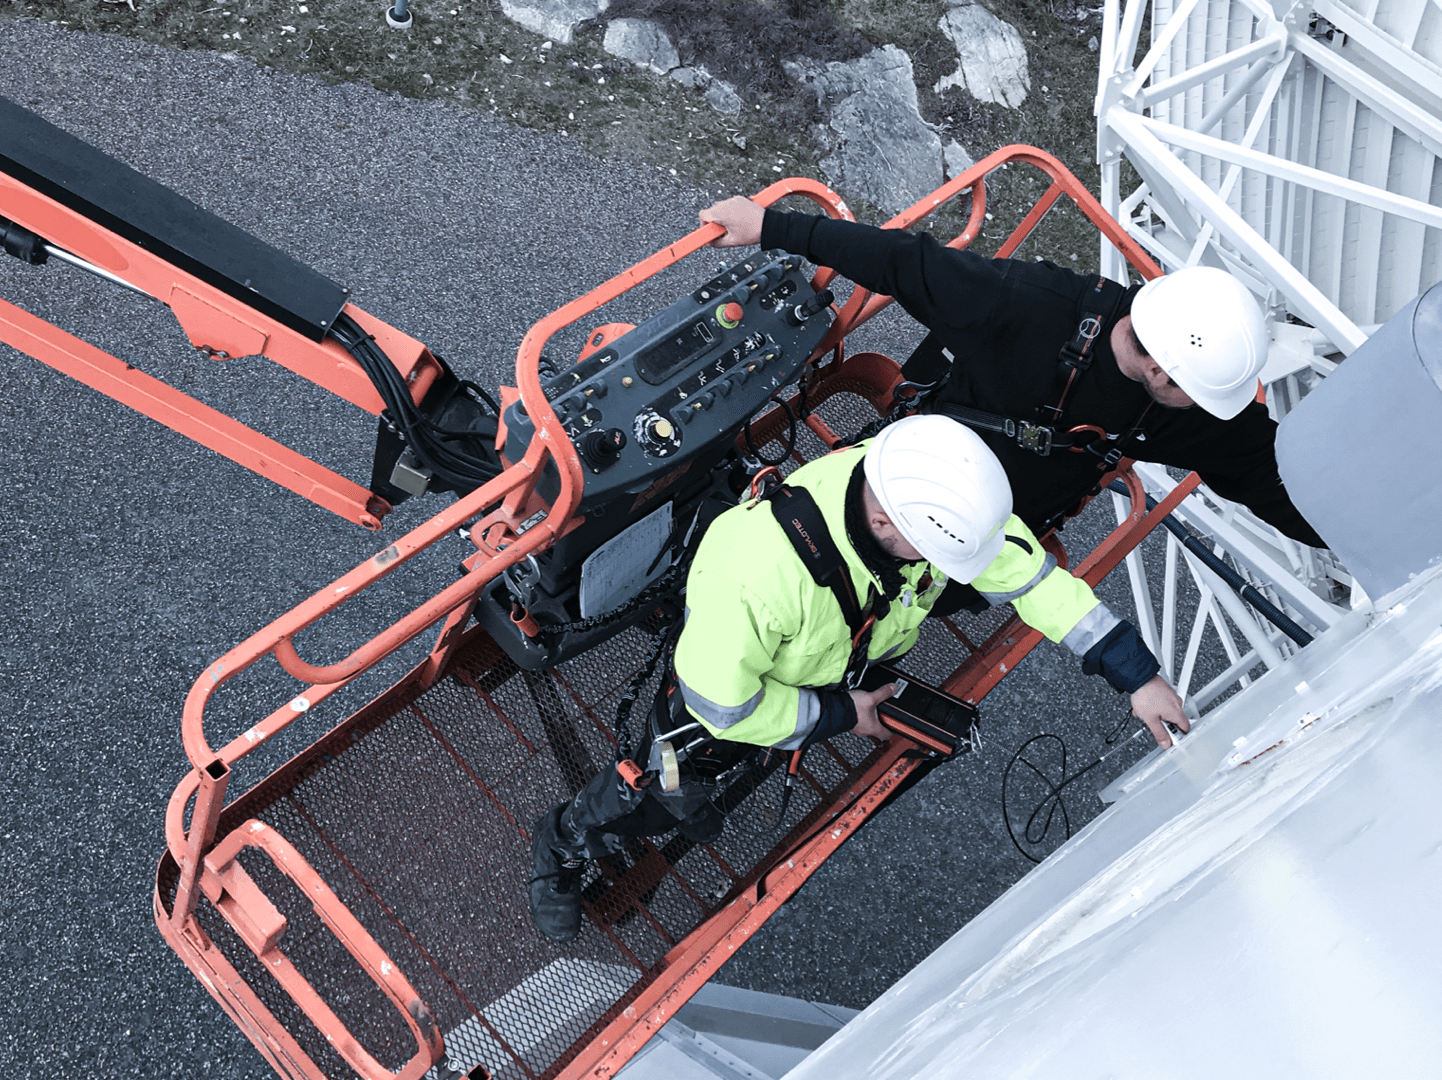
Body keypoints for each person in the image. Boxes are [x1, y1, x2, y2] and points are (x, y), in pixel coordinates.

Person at [528, 416, 1187, 942]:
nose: (955, 573)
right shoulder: (757, 576)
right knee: (661, 786)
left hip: (822, 681)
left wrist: (1139, 677)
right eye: (940, 560)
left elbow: (1034, 581)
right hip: (714, 719)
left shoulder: (925, 492)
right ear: (884, 526)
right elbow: (723, 708)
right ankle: (562, 838)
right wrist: (843, 715)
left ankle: (688, 802)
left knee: (721, 781)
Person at [696, 196, 1327, 556]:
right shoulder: (1029, 306)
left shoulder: (1193, 403)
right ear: (1161, 367)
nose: (1205, 409)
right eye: (1199, 396)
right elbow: (902, 263)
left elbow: (1264, 477)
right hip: (905, 480)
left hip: (991, 539)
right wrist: (771, 225)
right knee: (799, 547)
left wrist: (1349, 539)